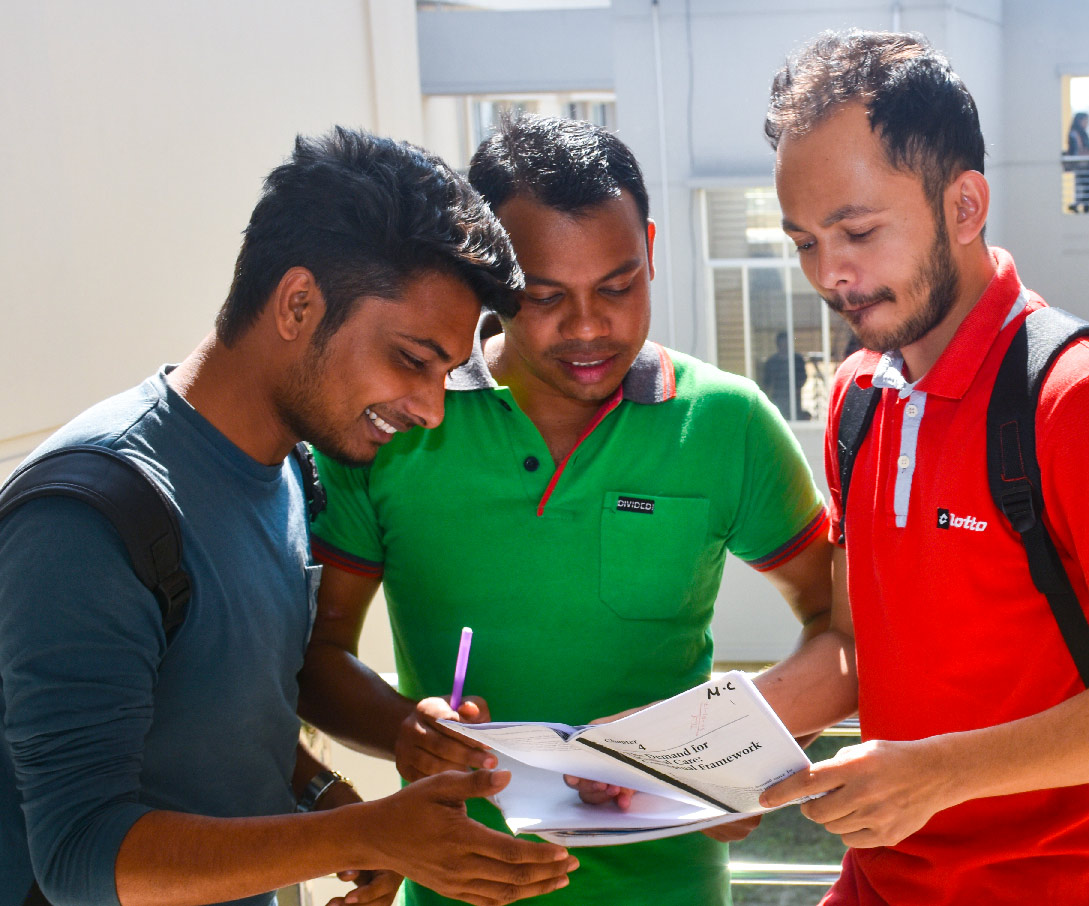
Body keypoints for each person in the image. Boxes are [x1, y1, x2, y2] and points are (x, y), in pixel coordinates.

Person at [0, 129, 578, 906]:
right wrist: (362, 834)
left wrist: (330, 800)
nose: (432, 409)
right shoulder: (86, 516)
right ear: (298, 303)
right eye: (413, 360)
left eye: (446, 372)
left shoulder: (294, 474)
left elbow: (215, 718)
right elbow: (79, 854)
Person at [298, 116, 838, 906]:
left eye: (618, 287)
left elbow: (844, 628)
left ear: (650, 250)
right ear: (489, 280)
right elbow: (314, 656)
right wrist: (405, 733)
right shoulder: (394, 422)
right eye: (546, 297)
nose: (588, 327)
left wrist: (743, 758)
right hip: (457, 890)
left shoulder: (728, 423)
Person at [760, 29, 1089, 905]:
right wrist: (685, 749)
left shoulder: (1083, 397)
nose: (831, 274)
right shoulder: (857, 397)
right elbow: (856, 651)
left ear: (965, 206)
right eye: (805, 242)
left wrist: (938, 774)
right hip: (882, 880)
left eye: (857, 231)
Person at [762, 329, 810, 419]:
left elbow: (803, 377)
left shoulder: (798, 359)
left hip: (794, 397)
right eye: (782, 343)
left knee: (795, 418)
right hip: (777, 397)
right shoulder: (772, 361)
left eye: (787, 343)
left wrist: (797, 389)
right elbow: (766, 382)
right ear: (778, 344)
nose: (785, 346)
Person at [1065, 112, 1089, 213]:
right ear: (1079, 121)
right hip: (1081, 165)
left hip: (1086, 164)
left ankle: (1082, 208)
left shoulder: (1082, 133)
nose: (1087, 123)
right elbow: (1080, 149)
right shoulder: (1075, 133)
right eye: (1085, 120)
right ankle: (1076, 205)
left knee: (1088, 189)